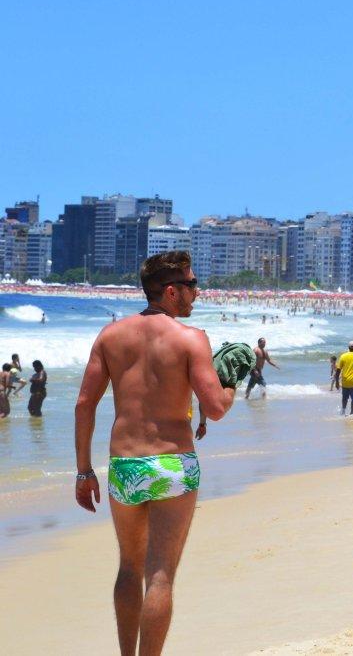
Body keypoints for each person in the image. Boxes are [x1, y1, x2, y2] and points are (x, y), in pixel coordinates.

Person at [73, 250, 235, 655]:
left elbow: (83, 405)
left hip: (125, 467)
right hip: (172, 464)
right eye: (192, 285)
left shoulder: (110, 336)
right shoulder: (190, 339)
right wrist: (231, 384)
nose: (197, 292)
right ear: (170, 291)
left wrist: (83, 471)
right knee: (160, 575)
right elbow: (215, 408)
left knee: (130, 567)